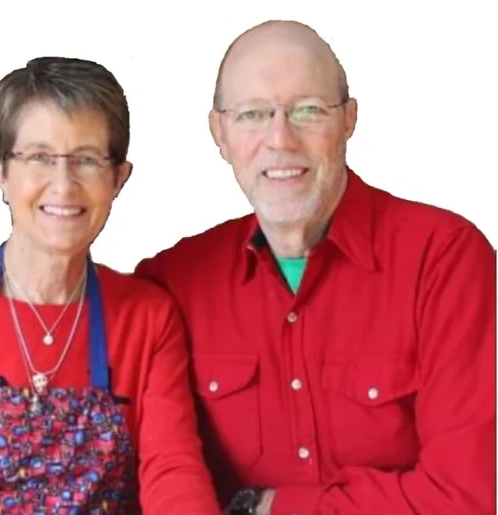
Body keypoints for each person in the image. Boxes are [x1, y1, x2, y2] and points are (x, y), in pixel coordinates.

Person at [135, 20, 496, 515]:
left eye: (308, 111)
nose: (280, 139)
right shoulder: (170, 284)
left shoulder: (444, 261)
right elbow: (160, 479)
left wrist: (268, 508)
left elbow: (467, 496)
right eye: (253, 115)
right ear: (219, 132)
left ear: (349, 119)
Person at [0, 57, 221, 515]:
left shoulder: (147, 318)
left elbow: (174, 471)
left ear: (118, 178)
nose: (64, 184)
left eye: (87, 160)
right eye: (39, 157)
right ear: (0, 171)